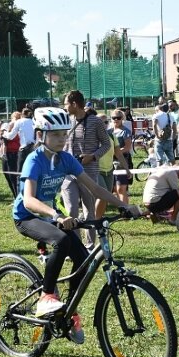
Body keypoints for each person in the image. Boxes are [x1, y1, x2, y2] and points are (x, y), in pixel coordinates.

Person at [12, 107, 141, 344]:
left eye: (64, 134)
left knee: (84, 261)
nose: (61, 139)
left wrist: (123, 205)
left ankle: (68, 313)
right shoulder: (35, 159)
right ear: (41, 135)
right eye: (55, 135)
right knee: (61, 240)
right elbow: (29, 200)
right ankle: (47, 296)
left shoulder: (66, 159)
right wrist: (56, 214)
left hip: (52, 216)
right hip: (28, 216)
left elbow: (96, 188)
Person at [62, 90, 112, 248]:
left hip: (88, 172)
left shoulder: (95, 122)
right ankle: (76, 246)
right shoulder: (66, 121)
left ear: (74, 104)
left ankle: (89, 245)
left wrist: (92, 156)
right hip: (68, 174)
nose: (64, 107)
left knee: (89, 210)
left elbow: (106, 144)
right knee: (71, 210)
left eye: (66, 104)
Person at [95, 113, 129, 218]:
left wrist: (127, 169)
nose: (105, 124)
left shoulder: (112, 136)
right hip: (96, 171)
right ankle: (95, 219)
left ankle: (98, 221)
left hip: (109, 171)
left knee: (107, 197)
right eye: (101, 122)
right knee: (103, 196)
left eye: (106, 122)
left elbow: (118, 154)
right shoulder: (92, 137)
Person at [111, 109, 133, 203]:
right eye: (114, 118)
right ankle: (121, 208)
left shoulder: (125, 131)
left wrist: (116, 152)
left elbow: (127, 147)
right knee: (115, 188)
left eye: (118, 118)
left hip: (122, 161)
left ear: (122, 118)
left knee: (121, 188)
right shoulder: (108, 131)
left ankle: (126, 209)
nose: (116, 120)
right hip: (110, 161)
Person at [5, 107, 36, 172]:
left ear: (22, 115)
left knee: (20, 171)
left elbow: (10, 136)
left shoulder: (19, 122)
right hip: (34, 148)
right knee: (32, 169)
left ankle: (20, 181)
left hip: (24, 149)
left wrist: (5, 133)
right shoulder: (34, 122)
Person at [0, 111, 21, 198]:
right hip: (6, 154)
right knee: (6, 173)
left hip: (15, 154)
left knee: (13, 176)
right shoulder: (7, 127)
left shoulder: (19, 129)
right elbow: (1, 136)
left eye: (17, 119)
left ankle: (17, 197)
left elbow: (12, 137)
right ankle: (15, 195)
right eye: (14, 118)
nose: (14, 121)